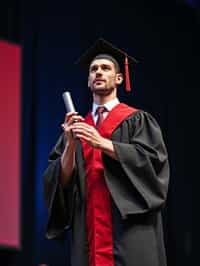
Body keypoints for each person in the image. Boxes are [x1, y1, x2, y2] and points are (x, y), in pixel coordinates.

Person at [43, 38, 170, 266]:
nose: (98, 72)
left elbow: (153, 167)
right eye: (93, 70)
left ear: (119, 78)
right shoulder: (77, 128)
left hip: (129, 232)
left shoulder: (137, 121)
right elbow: (58, 183)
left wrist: (102, 143)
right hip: (88, 232)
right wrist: (71, 146)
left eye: (105, 68)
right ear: (89, 81)